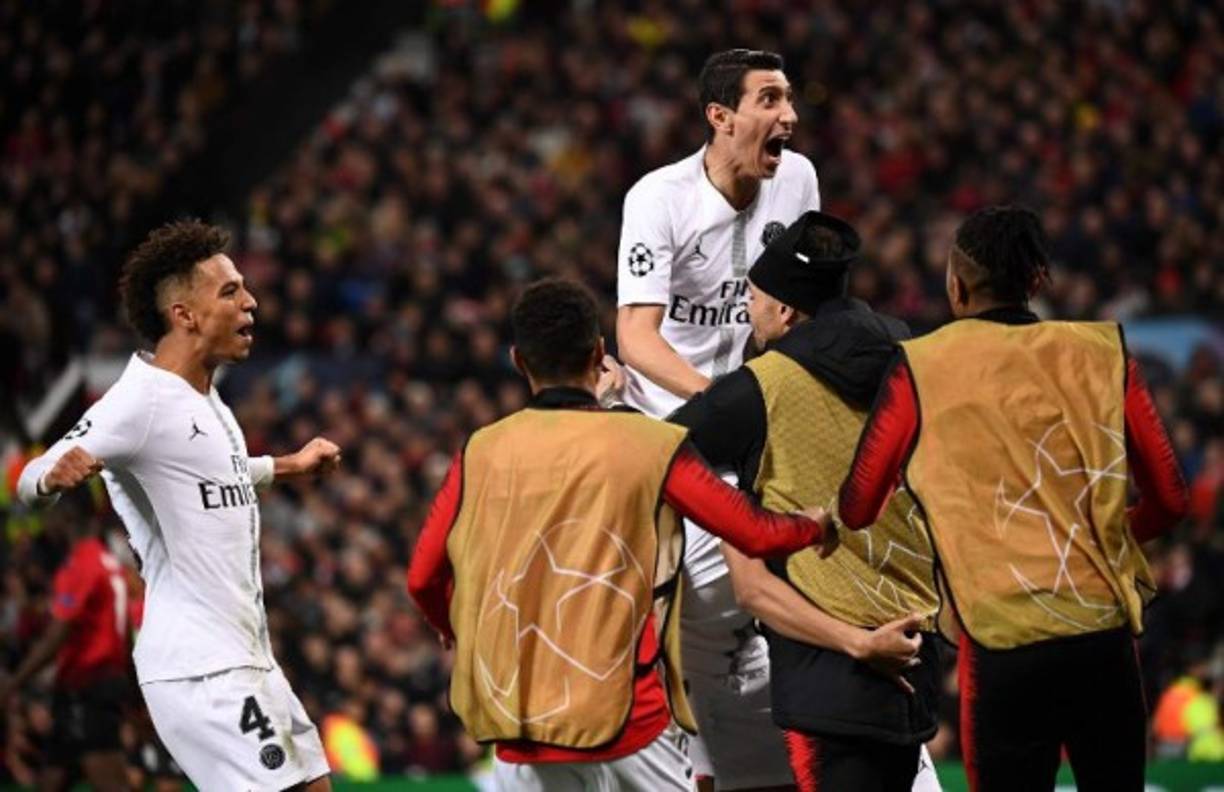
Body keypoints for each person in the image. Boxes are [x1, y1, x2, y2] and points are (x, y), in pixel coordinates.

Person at [407, 278, 837, 792]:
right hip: (631, 725)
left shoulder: (480, 451)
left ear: (519, 361)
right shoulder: (650, 443)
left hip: (521, 729)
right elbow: (753, 533)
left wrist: (452, 625)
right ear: (599, 352)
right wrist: (814, 524)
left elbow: (422, 577)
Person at [838, 206, 1189, 792]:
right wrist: (1097, 537)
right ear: (1035, 282)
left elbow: (858, 505)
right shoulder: (1104, 352)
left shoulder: (920, 367)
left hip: (1001, 640)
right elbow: (1171, 501)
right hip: (1099, 635)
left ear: (956, 283)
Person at [16, 220, 342, 792]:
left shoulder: (205, 395)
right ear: (184, 315)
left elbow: (217, 478)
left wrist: (287, 466)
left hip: (247, 656)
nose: (251, 302)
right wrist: (50, 476)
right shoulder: (138, 400)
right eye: (230, 291)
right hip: (201, 669)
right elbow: (32, 474)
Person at [670, 211, 943, 792]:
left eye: (753, 296)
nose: (748, 309)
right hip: (916, 652)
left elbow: (656, 454)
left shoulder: (761, 387)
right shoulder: (917, 359)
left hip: (827, 671)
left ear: (786, 310)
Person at [616, 48, 820, 790]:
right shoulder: (657, 198)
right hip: (681, 440)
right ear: (720, 116)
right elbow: (636, 337)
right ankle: (705, 763)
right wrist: (717, 398)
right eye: (769, 100)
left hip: (764, 426)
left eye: (790, 99)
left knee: (783, 599)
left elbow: (808, 303)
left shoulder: (797, 181)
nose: (788, 117)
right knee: (706, 621)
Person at [0, 493, 132, 792]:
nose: (48, 522)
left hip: (87, 686)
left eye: (52, 515)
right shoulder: (108, 561)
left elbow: (58, 634)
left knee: (111, 783)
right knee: (51, 779)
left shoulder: (81, 565)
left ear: (67, 519)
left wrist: (15, 682)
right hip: (91, 684)